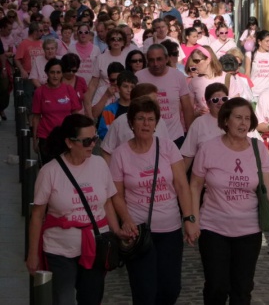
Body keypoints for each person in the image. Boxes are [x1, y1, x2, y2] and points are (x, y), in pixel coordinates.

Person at [190, 97, 269, 305]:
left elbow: (267, 190)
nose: (243, 123)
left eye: (247, 119)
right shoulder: (208, 148)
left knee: (242, 289)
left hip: (248, 231)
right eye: (238, 118)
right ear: (225, 121)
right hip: (213, 229)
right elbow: (194, 186)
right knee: (216, 287)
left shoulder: (259, 149)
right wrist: (192, 219)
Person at [109, 97, 198, 304]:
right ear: (131, 123)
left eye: (150, 119)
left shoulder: (167, 147)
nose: (146, 124)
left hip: (170, 230)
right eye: (140, 119)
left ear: (157, 123)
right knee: (145, 292)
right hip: (139, 232)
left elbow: (182, 186)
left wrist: (189, 218)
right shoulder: (120, 154)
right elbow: (116, 195)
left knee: (170, 289)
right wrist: (126, 220)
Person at [26, 114, 122, 304]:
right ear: (70, 142)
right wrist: (32, 254)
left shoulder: (100, 164)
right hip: (59, 249)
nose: (92, 144)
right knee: (63, 299)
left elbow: (108, 202)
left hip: (96, 245)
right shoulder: (50, 172)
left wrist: (117, 231)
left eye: (94, 138)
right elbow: (37, 216)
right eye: (87, 140)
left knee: (91, 299)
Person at [136, 44, 194, 148]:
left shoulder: (178, 76)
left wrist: (190, 135)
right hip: (148, 138)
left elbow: (187, 107)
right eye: (151, 60)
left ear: (167, 58)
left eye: (159, 59)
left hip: (175, 137)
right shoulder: (139, 77)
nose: (155, 64)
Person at [32, 58, 81, 165]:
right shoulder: (39, 92)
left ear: (62, 74)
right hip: (46, 137)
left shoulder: (69, 90)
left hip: (65, 138)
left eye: (58, 72)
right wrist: (34, 139)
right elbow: (35, 117)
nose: (55, 76)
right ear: (47, 73)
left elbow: (75, 115)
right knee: (48, 170)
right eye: (52, 72)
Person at [181, 82, 228, 171]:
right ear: (208, 104)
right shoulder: (199, 123)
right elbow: (187, 156)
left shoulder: (236, 120)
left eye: (224, 99)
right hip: (203, 178)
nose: (220, 103)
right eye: (215, 100)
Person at [188, 45, 242, 116]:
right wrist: (198, 112)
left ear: (208, 60)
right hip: (203, 125)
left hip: (222, 124)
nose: (194, 65)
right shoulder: (194, 82)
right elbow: (188, 111)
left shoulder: (227, 78)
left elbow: (237, 106)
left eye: (197, 61)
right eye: (193, 61)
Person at [85, 29, 127, 119]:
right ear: (108, 42)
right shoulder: (100, 58)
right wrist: (88, 106)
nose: (116, 41)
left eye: (119, 39)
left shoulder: (127, 58)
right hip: (103, 95)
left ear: (123, 42)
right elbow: (93, 84)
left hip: (122, 96)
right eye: (113, 39)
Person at [97, 70, 137, 139]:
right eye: (125, 86)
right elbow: (103, 133)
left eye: (132, 87)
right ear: (118, 88)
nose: (129, 90)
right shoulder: (109, 110)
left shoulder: (139, 108)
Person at [245, 30, 269, 101]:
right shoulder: (250, 55)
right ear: (259, 42)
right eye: (267, 41)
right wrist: (248, 89)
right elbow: (247, 73)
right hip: (254, 93)